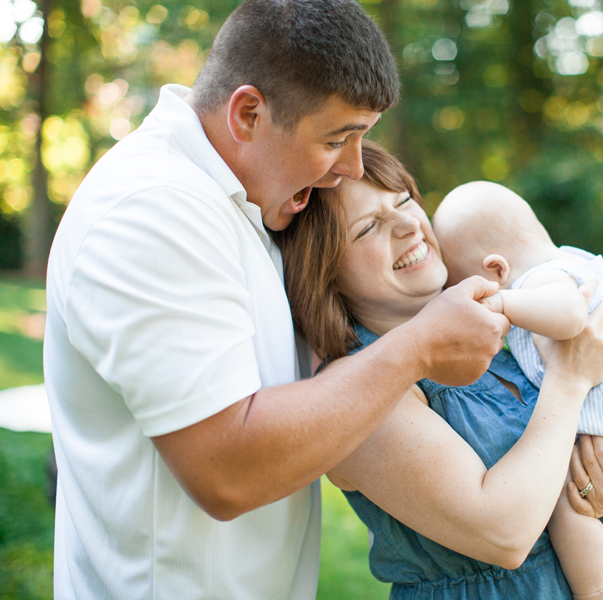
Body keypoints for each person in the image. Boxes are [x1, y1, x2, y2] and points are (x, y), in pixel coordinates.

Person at [43, 2, 510, 599]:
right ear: (248, 113)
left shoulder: (244, 198)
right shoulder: (153, 213)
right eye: (337, 139)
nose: (352, 167)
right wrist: (417, 350)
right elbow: (227, 471)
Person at [274, 140, 603, 600]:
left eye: (403, 200)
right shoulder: (353, 389)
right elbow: (505, 534)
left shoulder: (505, 317)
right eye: (367, 229)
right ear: (324, 272)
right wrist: (571, 378)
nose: (408, 225)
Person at [432, 181, 603, 597]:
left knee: (568, 497)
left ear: (497, 270)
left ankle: (594, 588)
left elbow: (568, 317)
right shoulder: (576, 262)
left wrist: (500, 305)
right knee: (591, 470)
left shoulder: (542, 280)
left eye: (471, 287)